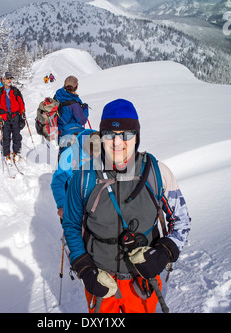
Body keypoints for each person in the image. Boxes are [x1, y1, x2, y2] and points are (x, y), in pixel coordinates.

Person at [62, 99, 191, 313]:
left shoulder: (156, 172)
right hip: (101, 281)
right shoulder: (84, 177)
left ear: (137, 137)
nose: (118, 142)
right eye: (110, 134)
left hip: (142, 282)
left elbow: (182, 220)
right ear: (101, 137)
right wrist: (85, 268)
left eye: (127, 134)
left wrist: (164, 252)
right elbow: (71, 226)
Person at [0, 72, 25, 165]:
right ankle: (6, 154)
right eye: (7, 78)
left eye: (11, 78)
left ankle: (16, 153)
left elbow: (21, 104)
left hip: (15, 117)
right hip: (5, 118)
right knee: (6, 137)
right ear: (3, 79)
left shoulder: (15, 91)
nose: (9, 80)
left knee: (17, 136)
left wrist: (22, 117)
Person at [54, 76, 89, 144]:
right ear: (76, 87)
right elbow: (82, 121)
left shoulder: (58, 95)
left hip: (60, 132)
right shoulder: (74, 104)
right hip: (72, 134)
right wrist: (85, 109)